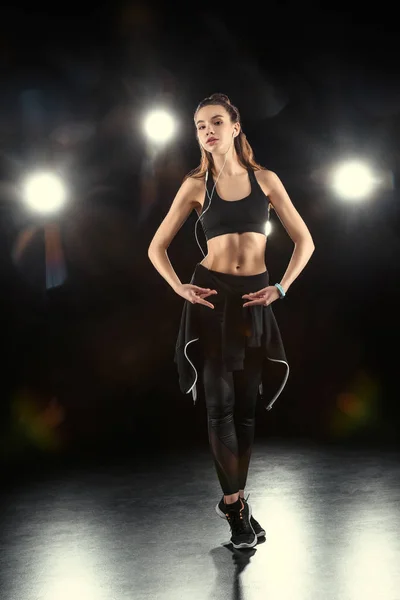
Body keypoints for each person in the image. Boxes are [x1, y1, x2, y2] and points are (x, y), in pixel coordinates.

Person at [148, 93, 315, 549]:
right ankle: (236, 509)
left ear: (236, 127)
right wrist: (179, 286)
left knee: (244, 410)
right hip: (212, 300)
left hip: (254, 301)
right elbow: (156, 247)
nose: (208, 131)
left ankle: (236, 502)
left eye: (217, 122)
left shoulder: (266, 180)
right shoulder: (196, 185)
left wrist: (280, 288)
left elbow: (305, 242)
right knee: (218, 406)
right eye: (200, 126)